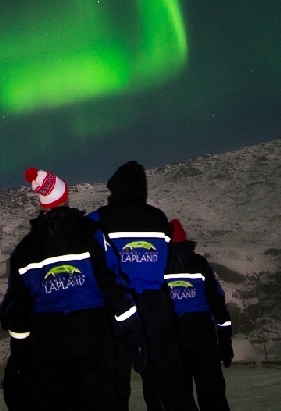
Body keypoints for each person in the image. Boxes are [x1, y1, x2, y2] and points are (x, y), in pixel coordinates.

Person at [0, 166, 146, 411]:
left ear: (43, 204)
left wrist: (19, 354)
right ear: (65, 198)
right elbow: (112, 284)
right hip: (91, 333)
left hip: (47, 338)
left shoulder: (24, 249)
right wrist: (134, 330)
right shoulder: (90, 233)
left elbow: (19, 307)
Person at [88, 161, 197, 411]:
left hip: (116, 307)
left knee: (113, 384)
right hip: (155, 307)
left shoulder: (99, 219)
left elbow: (90, 257)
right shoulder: (158, 219)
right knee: (171, 382)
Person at [143, 218, 232, 411]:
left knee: (174, 395)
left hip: (170, 334)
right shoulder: (199, 263)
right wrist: (225, 339)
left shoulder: (156, 265)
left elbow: (148, 303)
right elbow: (217, 300)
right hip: (202, 334)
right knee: (212, 392)